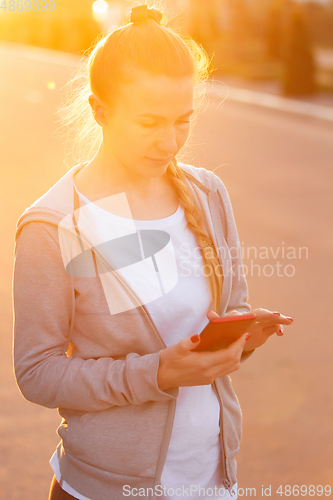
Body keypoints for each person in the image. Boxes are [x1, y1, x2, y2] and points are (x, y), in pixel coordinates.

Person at [12, 4, 293, 500]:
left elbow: (230, 309)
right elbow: (38, 373)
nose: (170, 142)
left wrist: (243, 333)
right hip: (104, 489)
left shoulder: (207, 194)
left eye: (183, 121)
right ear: (100, 110)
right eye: (148, 123)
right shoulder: (54, 224)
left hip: (212, 481)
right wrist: (156, 373)